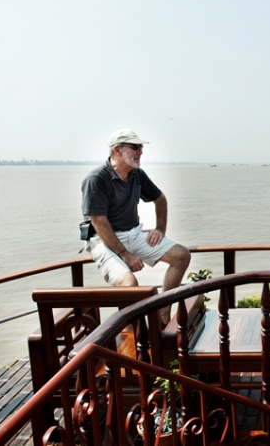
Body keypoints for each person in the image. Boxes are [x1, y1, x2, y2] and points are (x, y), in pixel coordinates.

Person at [80, 129, 191, 323]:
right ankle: (133, 332)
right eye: (135, 147)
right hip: (104, 239)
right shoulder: (96, 179)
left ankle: (163, 315)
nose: (140, 151)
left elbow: (160, 199)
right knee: (129, 284)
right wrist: (125, 254)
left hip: (133, 233)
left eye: (140, 147)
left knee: (181, 256)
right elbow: (99, 222)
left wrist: (160, 229)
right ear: (117, 150)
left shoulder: (137, 175)